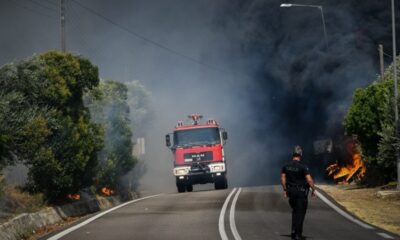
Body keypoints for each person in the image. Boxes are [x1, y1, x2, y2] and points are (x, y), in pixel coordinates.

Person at [281, 145, 316, 240]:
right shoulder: (303, 167)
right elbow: (309, 180)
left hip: (290, 191)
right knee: (300, 212)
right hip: (300, 192)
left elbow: (283, 178)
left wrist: (285, 190)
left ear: (293, 154)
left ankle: (293, 231)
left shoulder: (286, 166)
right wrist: (313, 189)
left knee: (295, 210)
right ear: (300, 154)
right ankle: (298, 234)